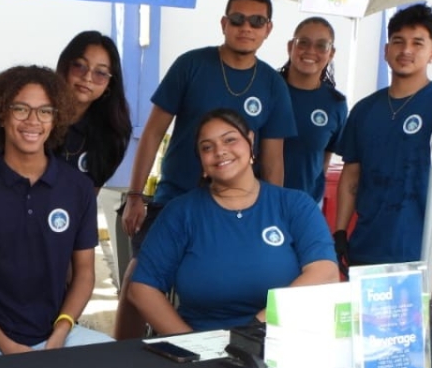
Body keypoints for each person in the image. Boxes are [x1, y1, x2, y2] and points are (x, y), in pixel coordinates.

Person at [115, 0, 296, 339]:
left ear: (268, 29)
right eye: (238, 19)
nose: (246, 27)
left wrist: (275, 211)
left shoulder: (273, 84)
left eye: (256, 21)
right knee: (137, 277)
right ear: (224, 23)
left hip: (237, 207)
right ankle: (118, 359)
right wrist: (136, 195)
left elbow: (274, 159)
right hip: (174, 198)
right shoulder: (191, 64)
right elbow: (152, 133)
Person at [0, 65, 111, 358]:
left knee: (113, 367)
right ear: (0, 114)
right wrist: (4, 344)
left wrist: (61, 331)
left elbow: (84, 274)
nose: (33, 121)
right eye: (21, 109)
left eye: (45, 111)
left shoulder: (78, 188)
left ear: (56, 119)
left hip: (58, 334)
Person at [128, 109, 339, 333]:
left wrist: (257, 326)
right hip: (202, 352)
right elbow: (142, 287)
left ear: (250, 141)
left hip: (282, 343)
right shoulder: (181, 212)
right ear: (201, 162)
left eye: (230, 140)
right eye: (207, 147)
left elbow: (325, 273)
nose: (220, 151)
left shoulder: (294, 205)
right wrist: (191, 344)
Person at [334, 3, 432, 270]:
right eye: (398, 41)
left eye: (418, 43)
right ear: (386, 51)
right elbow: (351, 175)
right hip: (368, 248)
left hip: (425, 249)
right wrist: (340, 232)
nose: (406, 50)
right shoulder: (364, 109)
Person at [0, 30, 133, 192]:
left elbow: (87, 202)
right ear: (65, 66)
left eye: (100, 73)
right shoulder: (23, 110)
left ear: (109, 85)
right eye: (79, 66)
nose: (87, 77)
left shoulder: (112, 134)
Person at [280, 17, 348, 204]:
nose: (311, 51)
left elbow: (325, 156)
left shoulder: (335, 104)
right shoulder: (267, 88)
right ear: (290, 46)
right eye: (303, 43)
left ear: (331, 53)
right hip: (256, 203)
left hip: (306, 206)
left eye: (321, 45)